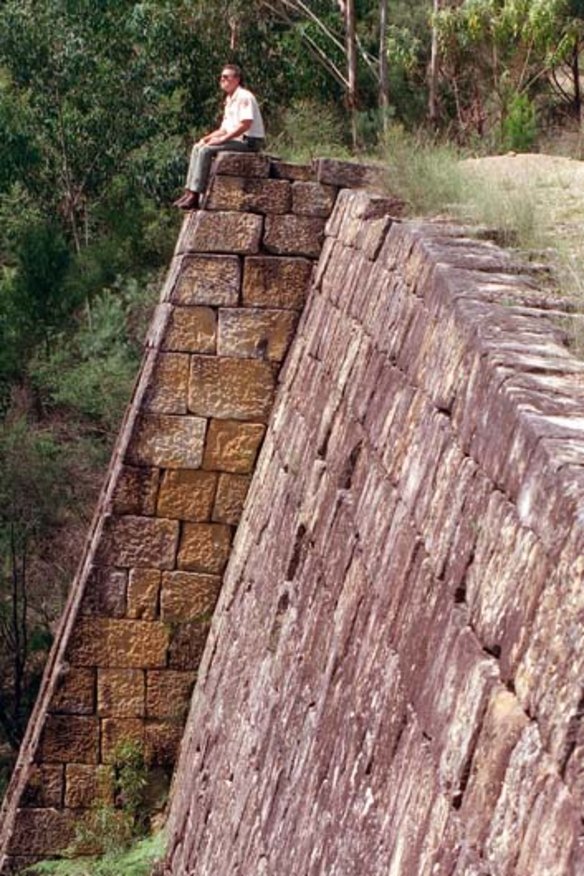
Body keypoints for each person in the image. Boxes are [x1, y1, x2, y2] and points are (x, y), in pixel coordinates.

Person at [173, 64, 265, 211]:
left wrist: (221, 140)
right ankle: (189, 191)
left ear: (237, 79)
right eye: (221, 77)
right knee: (198, 147)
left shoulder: (244, 97)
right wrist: (206, 138)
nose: (222, 80)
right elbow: (224, 129)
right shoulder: (229, 99)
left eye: (226, 77)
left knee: (206, 151)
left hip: (249, 142)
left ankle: (196, 195)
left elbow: (245, 125)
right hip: (237, 139)